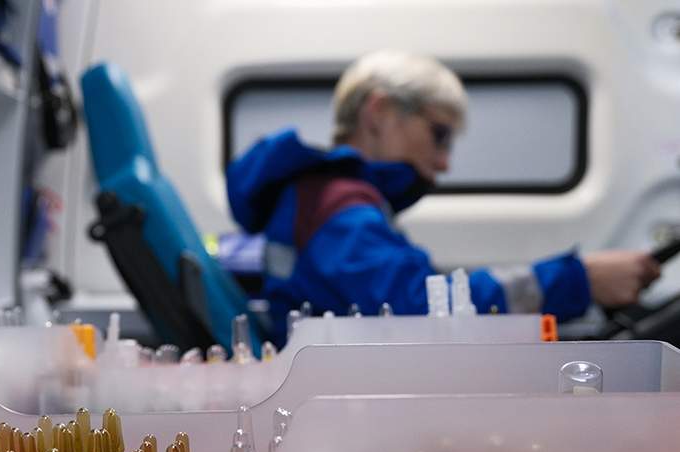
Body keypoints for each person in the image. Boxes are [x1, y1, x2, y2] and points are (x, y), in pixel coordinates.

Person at [226, 50, 661, 345]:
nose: (444, 162)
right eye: (439, 136)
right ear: (379, 113)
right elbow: (420, 310)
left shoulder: (332, 199)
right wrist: (578, 280)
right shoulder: (339, 210)